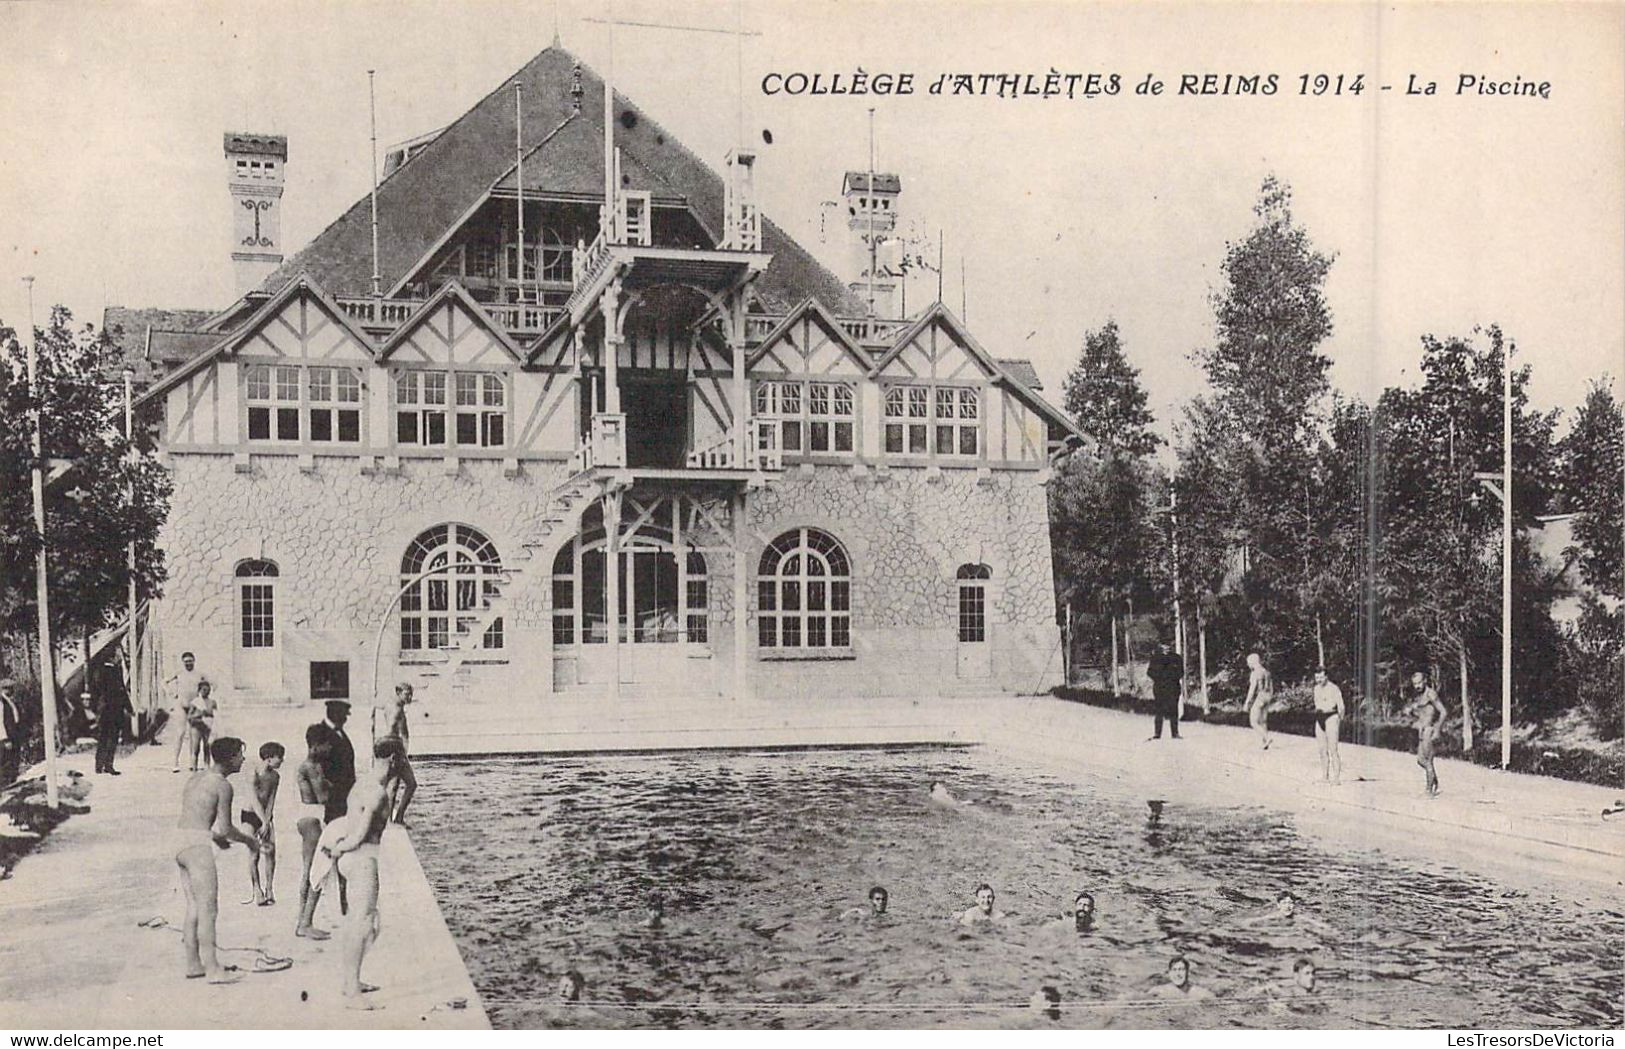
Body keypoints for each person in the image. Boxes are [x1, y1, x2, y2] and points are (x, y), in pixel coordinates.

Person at [320, 736, 404, 1010]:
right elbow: (360, 833)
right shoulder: (377, 793)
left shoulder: (363, 783)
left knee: (365, 922)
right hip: (362, 858)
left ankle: (351, 981)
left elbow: (349, 820)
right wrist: (340, 848)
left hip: (353, 859)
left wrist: (339, 847)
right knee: (363, 923)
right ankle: (352, 991)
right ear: (394, 758)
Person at [174, 736, 261, 983]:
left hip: (180, 840)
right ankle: (213, 969)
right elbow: (225, 829)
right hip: (198, 846)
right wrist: (249, 841)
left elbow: (194, 817)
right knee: (209, 909)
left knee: (193, 905)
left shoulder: (196, 778)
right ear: (231, 757)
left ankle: (194, 964)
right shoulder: (223, 785)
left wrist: (214, 837)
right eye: (240, 755)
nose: (243, 759)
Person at [294, 727, 334, 940]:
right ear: (315, 745)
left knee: (311, 870)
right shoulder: (312, 767)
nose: (329, 749)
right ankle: (305, 923)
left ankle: (303, 920)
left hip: (307, 815)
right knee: (315, 871)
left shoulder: (309, 766)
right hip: (313, 818)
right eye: (326, 745)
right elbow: (322, 797)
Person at [240, 742, 284, 906]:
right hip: (249, 815)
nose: (282, 761)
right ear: (269, 758)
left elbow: (271, 800)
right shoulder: (253, 773)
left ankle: (269, 888)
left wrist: (267, 820)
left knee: (270, 851)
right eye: (280, 757)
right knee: (254, 853)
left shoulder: (275, 777)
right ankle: (257, 889)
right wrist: (263, 822)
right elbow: (253, 799)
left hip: (265, 816)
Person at [376, 683, 418, 824]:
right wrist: (397, 753)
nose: (410, 697)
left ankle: (389, 820)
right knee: (411, 784)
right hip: (395, 750)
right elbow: (391, 732)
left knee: (393, 785)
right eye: (407, 694)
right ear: (399, 692)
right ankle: (397, 817)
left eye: (411, 694)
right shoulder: (396, 709)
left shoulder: (392, 704)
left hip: (395, 750)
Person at [310, 701, 357, 824]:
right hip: (332, 790)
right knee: (333, 823)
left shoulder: (340, 731)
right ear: (336, 715)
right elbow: (317, 762)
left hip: (345, 789)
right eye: (344, 716)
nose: (346, 719)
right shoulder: (319, 732)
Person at [1403, 671, 1448, 797]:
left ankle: (1429, 790)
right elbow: (1423, 714)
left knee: (1428, 760)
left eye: (1419, 683)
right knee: (1420, 760)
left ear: (1425, 681)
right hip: (1421, 730)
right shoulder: (1419, 696)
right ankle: (1434, 782)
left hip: (1429, 730)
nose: (1417, 686)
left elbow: (1443, 712)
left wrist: (1437, 729)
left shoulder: (1431, 694)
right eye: (1415, 684)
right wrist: (1411, 712)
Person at [93, 658, 131, 776]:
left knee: (105, 738)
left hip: (108, 709)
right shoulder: (112, 671)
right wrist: (129, 708)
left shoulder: (100, 670)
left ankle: (101, 766)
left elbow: (121, 691)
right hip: (111, 709)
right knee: (110, 738)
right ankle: (106, 765)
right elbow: (121, 690)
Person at [164, 652, 203, 768]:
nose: (188, 664)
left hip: (194, 707)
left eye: (190, 661)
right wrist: (172, 693)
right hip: (181, 705)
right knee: (180, 733)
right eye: (186, 662)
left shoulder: (199, 674)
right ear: (183, 663)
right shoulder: (179, 673)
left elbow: (213, 684)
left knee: (194, 735)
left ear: (194, 661)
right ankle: (175, 762)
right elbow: (164, 682)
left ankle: (192, 762)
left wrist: (204, 697)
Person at [1312, 667, 1346, 784]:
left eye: (1321, 677)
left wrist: (1339, 720)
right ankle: (1325, 776)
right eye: (1317, 677)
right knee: (1322, 749)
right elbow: (1317, 703)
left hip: (1331, 717)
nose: (1319, 680)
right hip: (1320, 718)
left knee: (1333, 749)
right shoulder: (1316, 688)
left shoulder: (1333, 688)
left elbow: (1341, 706)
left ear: (1326, 676)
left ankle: (1336, 778)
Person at [1146, 640, 1184, 740]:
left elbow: (1181, 672)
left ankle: (1175, 733)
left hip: (1173, 688)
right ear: (1161, 646)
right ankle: (1157, 734)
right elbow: (1150, 672)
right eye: (1164, 645)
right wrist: (1159, 678)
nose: (1167, 647)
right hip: (1160, 688)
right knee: (1159, 711)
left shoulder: (1176, 658)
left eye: (1169, 645)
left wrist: (1172, 678)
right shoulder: (1156, 658)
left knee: (1174, 710)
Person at [1245, 652, 1275, 750]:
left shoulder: (1255, 673)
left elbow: (1252, 689)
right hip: (1268, 696)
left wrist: (1247, 702)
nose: (1248, 665)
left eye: (1248, 663)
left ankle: (1267, 737)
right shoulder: (1266, 672)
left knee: (1253, 721)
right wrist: (1270, 697)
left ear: (1253, 662)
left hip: (1260, 697)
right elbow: (1271, 687)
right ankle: (1264, 743)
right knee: (1263, 721)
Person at [184, 680, 217, 772]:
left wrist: (209, 715)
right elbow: (189, 717)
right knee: (196, 747)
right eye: (203, 690)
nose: (206, 692)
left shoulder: (212, 702)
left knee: (207, 747)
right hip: (197, 726)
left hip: (207, 726)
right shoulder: (195, 702)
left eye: (207, 690)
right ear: (199, 690)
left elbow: (216, 715)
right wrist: (198, 715)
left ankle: (207, 766)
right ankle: (194, 768)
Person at [1, 677, 26, 789]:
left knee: (13, 761)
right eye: (10, 688)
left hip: (14, 735)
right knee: (5, 762)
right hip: (6, 738)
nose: (12, 690)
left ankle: (11, 784)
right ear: (4, 689)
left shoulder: (9, 701)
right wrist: (5, 739)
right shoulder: (1, 702)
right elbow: (0, 722)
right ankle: (4, 786)